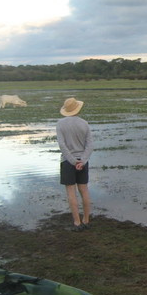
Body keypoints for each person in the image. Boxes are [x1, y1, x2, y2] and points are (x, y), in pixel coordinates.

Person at [56, 97, 93, 230]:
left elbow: (62, 145)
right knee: (84, 191)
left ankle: (77, 222)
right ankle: (86, 220)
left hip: (67, 162)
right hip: (83, 162)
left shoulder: (60, 124)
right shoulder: (84, 123)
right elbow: (90, 145)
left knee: (71, 193)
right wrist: (82, 161)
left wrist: (73, 161)